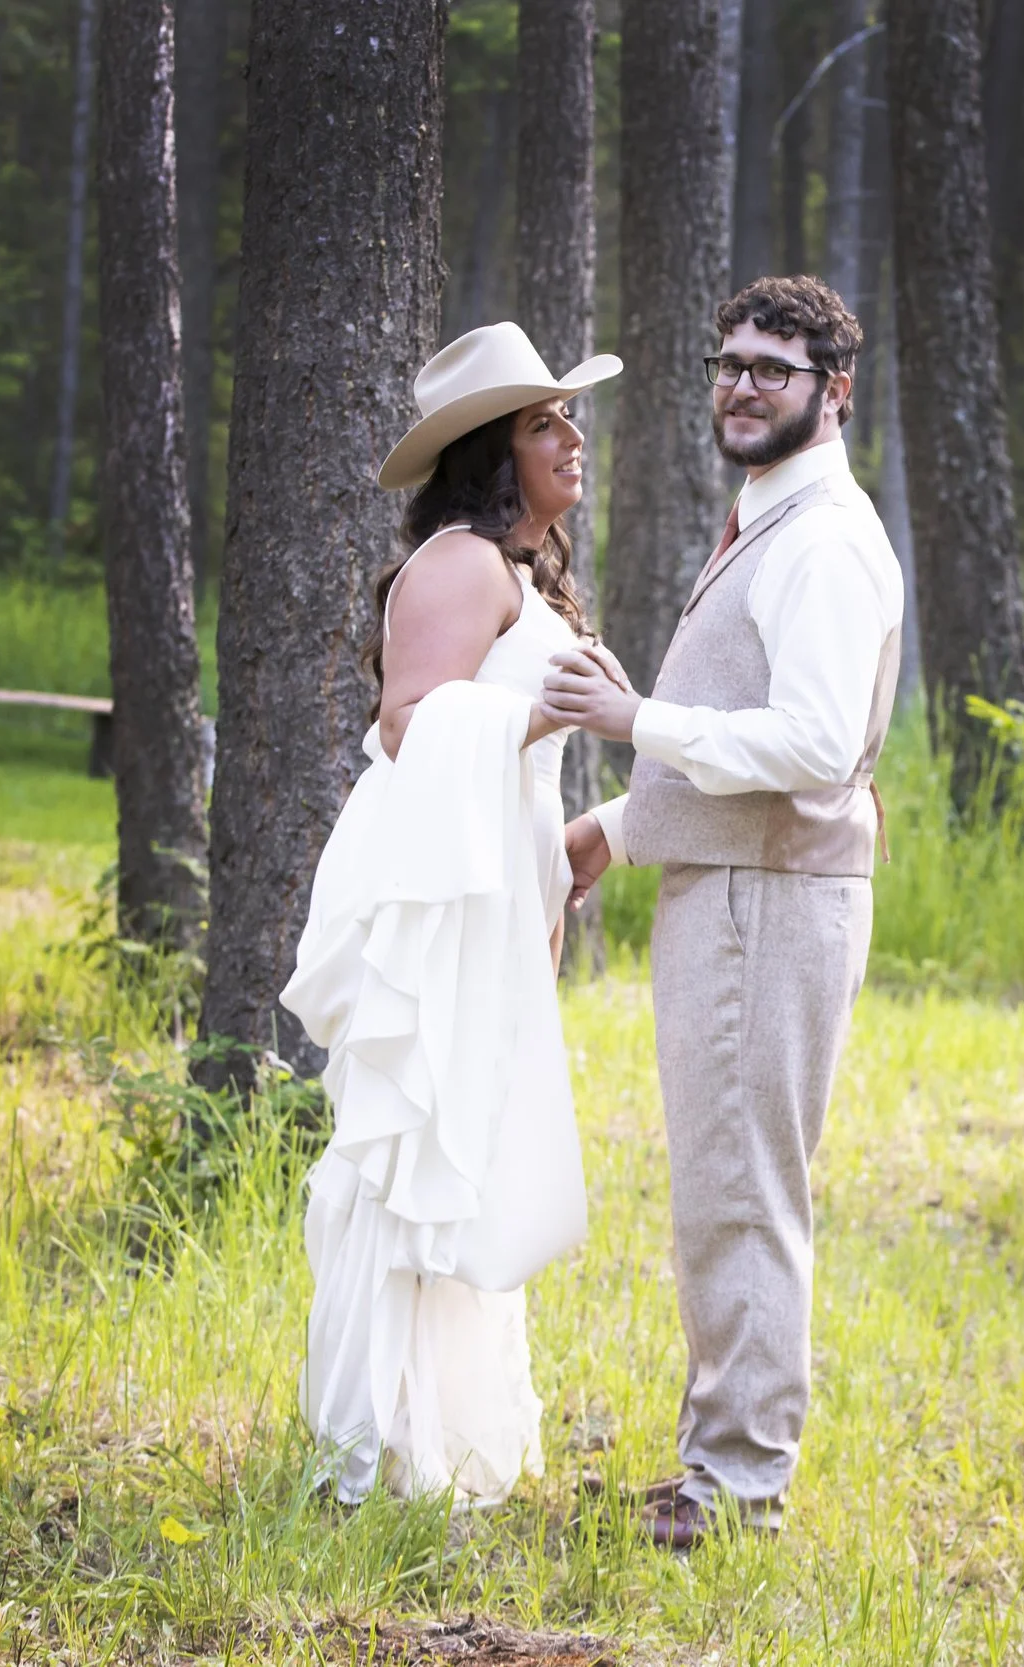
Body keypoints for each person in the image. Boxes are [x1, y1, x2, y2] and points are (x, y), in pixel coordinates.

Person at [543, 276, 904, 1550]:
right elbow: (750, 729)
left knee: (743, 1189)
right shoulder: (769, 522)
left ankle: (739, 1485)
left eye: (774, 368)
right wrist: (624, 826)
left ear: (834, 394)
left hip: (772, 897)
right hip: (730, 884)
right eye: (729, 362)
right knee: (717, 1182)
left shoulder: (823, 542)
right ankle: (718, 1461)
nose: (742, 384)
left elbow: (809, 745)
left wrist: (633, 722)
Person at [280, 323, 626, 1507]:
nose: (573, 438)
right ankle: (371, 1451)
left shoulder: (525, 576)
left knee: (471, 1150)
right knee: (411, 1155)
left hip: (501, 872)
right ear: (492, 451)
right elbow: (409, 723)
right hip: (436, 882)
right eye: (545, 423)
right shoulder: (460, 563)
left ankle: (449, 1446)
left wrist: (560, 864)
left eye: (570, 418)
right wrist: (538, 718)